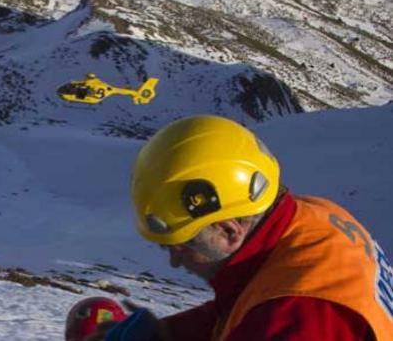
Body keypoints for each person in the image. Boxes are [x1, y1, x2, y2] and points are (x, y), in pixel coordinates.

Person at [87, 115, 393, 341]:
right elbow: (245, 301)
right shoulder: (312, 218)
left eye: (181, 246)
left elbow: (271, 315)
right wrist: (168, 334)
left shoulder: (295, 316)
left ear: (228, 231)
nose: (175, 261)